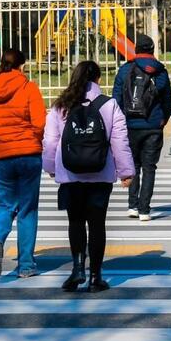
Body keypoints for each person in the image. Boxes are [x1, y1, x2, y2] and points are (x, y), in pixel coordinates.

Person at [43, 60, 134, 292]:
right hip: (100, 174)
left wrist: (51, 167)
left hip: (70, 174)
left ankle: (77, 269)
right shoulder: (109, 105)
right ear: (98, 79)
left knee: (75, 222)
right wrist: (126, 172)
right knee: (97, 225)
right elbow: (119, 141)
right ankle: (95, 277)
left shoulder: (61, 106)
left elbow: (50, 141)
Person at [0, 48, 46, 278]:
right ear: (22, 66)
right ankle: (26, 265)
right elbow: (39, 123)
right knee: (27, 209)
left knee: (3, 205)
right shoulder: (29, 88)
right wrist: (33, 140)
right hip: (27, 154)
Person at [112, 33, 171, 222]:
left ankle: (133, 206)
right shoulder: (160, 72)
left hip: (130, 126)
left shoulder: (125, 70)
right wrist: (162, 120)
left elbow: (116, 99)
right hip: (153, 126)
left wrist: (121, 121)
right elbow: (167, 101)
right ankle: (144, 210)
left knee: (133, 165)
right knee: (149, 167)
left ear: (136, 50)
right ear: (152, 50)